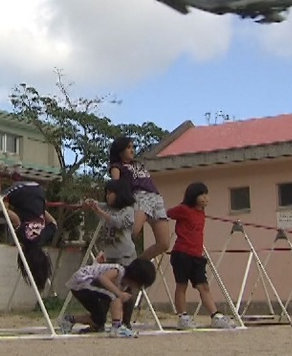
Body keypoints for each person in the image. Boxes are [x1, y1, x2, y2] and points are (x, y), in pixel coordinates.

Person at [166, 181, 235, 329]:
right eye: (201, 195)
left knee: (203, 286)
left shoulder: (201, 213)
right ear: (193, 196)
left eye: (206, 194)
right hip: (182, 253)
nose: (205, 198)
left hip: (197, 255)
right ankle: (182, 317)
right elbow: (168, 214)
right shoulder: (183, 209)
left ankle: (215, 316)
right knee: (181, 285)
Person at [0, 167, 57, 291]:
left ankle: (16, 175)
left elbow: (53, 223)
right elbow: (16, 220)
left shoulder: (44, 237)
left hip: (38, 190)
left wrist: (41, 209)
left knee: (14, 203)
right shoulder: (25, 238)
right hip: (22, 191)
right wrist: (5, 210)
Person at [84, 178, 138, 326]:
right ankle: (100, 322)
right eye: (106, 193)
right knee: (105, 290)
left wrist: (99, 211)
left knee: (126, 289)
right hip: (109, 258)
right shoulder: (105, 207)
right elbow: (93, 205)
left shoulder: (128, 210)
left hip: (125, 257)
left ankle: (125, 322)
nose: (108, 196)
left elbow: (118, 222)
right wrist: (90, 203)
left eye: (111, 193)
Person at [58, 258, 157, 338]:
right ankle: (117, 327)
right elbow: (102, 278)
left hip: (84, 286)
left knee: (99, 319)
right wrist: (119, 293)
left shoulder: (124, 285)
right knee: (114, 295)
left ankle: (69, 320)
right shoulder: (119, 270)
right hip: (83, 280)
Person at [108, 136, 170, 260]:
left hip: (156, 197)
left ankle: (137, 265)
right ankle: (114, 258)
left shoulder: (138, 164)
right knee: (131, 233)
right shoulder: (117, 166)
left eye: (133, 147)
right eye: (128, 147)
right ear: (120, 151)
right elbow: (115, 185)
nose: (132, 150)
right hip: (139, 196)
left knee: (164, 243)